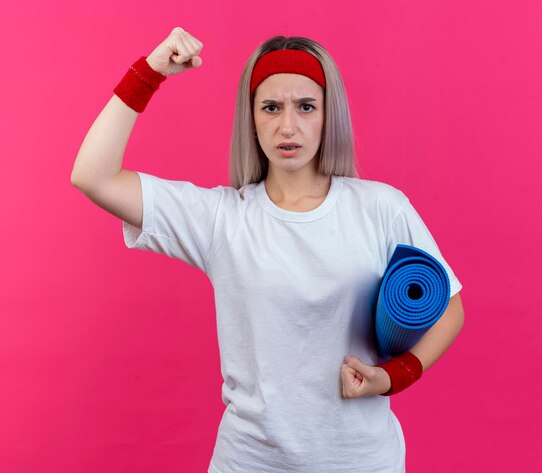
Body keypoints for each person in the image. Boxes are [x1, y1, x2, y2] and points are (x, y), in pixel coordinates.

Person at [71, 26, 465, 473]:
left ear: (327, 115)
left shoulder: (380, 208)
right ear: (251, 117)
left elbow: (449, 308)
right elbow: (93, 175)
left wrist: (394, 377)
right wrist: (151, 70)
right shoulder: (223, 219)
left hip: (361, 459)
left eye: (306, 106)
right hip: (250, 461)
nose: (287, 126)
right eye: (271, 107)